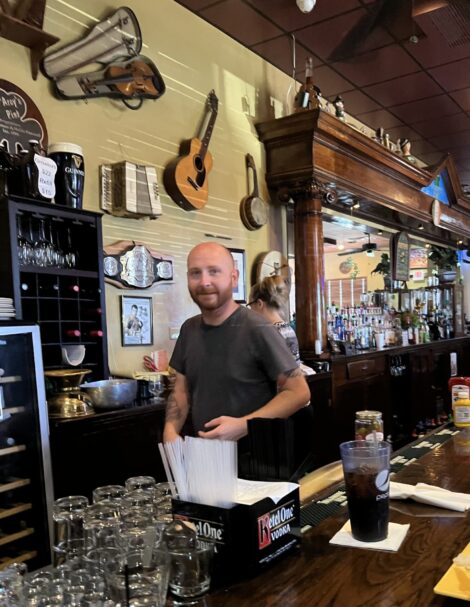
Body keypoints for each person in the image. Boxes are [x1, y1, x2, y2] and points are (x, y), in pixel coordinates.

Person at [163, 242, 310, 443]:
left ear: (234, 278)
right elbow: (180, 391)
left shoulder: (258, 328)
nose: (204, 282)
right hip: (206, 456)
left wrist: (245, 424)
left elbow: (298, 392)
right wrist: (170, 430)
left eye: (214, 272)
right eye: (195, 273)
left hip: (256, 461)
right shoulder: (189, 329)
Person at [248, 275, 300, 366]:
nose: (250, 311)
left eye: (250, 305)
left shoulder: (266, 334)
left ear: (259, 304)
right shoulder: (289, 329)